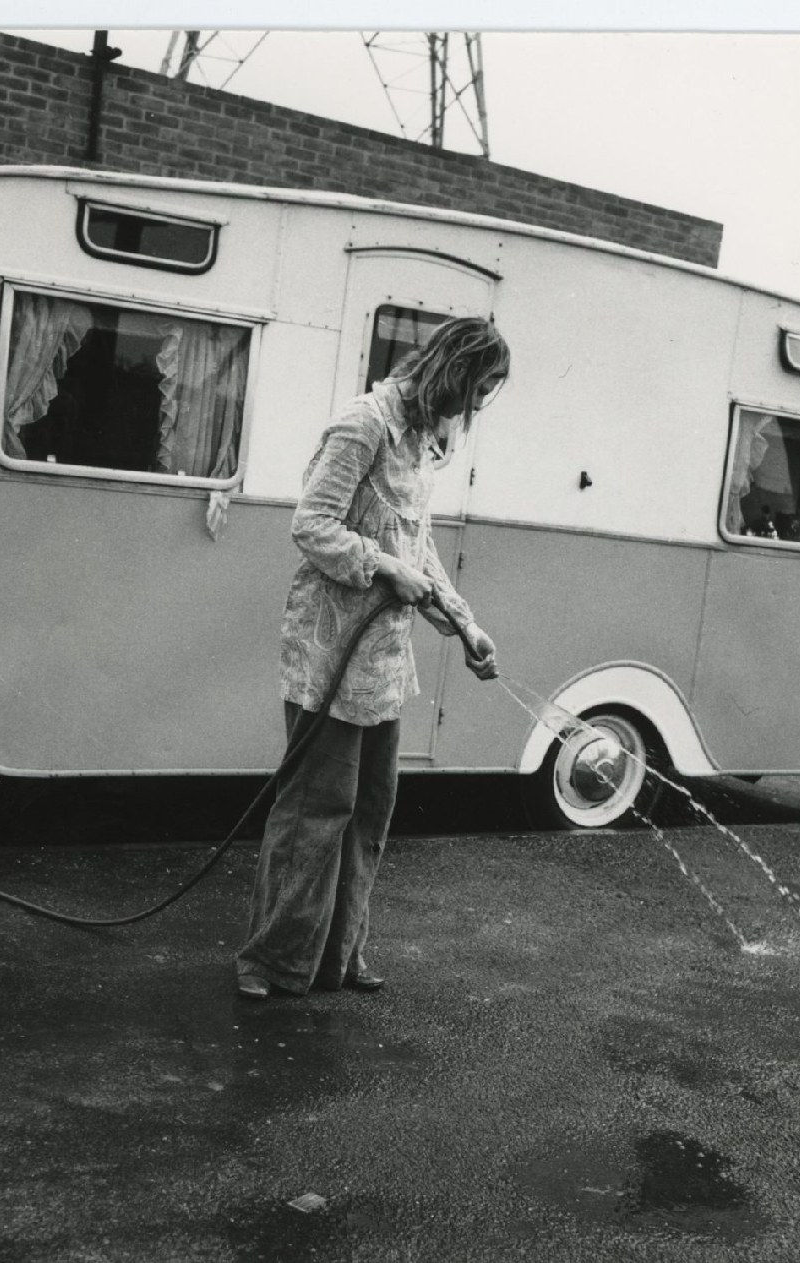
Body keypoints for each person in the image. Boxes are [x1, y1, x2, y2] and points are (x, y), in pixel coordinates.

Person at [235, 317, 511, 999]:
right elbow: (312, 524)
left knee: (369, 811)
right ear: (453, 373)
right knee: (315, 811)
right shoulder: (364, 424)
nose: (473, 410)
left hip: (383, 662)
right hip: (329, 653)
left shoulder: (420, 441)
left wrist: (465, 624)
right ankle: (272, 961)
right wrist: (382, 566)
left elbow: (419, 549)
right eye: (477, 391)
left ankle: (337, 956)